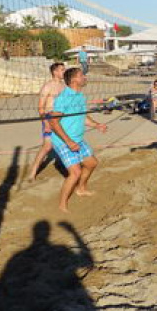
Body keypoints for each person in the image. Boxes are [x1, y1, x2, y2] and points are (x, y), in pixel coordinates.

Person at [48, 68, 108, 213]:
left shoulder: (80, 96)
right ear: (74, 80)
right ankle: (62, 205)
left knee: (92, 163)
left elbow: (83, 117)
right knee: (75, 172)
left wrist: (97, 125)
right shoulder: (64, 98)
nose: (85, 77)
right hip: (63, 140)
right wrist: (69, 142)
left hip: (77, 139)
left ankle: (80, 189)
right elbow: (53, 123)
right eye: (82, 75)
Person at [26, 62, 66, 181]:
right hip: (49, 117)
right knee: (47, 147)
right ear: (55, 72)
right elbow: (40, 107)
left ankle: (64, 165)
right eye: (62, 70)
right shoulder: (47, 86)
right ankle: (33, 173)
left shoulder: (64, 86)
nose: (64, 71)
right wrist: (46, 122)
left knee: (64, 141)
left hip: (62, 117)